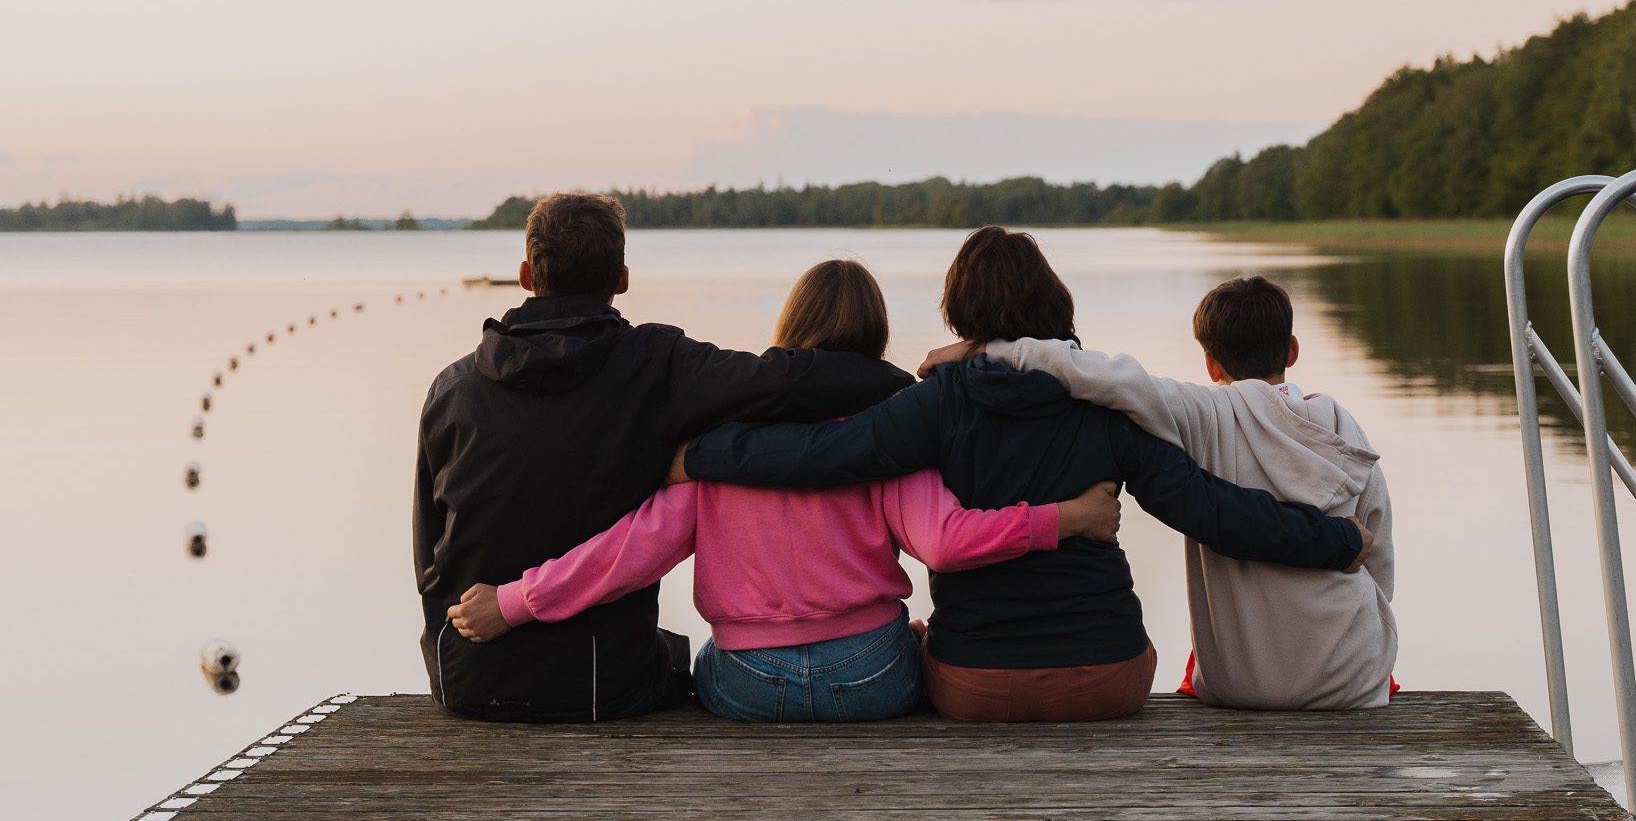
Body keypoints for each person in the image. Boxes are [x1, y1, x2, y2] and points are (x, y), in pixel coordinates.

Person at [680, 227, 1367, 723]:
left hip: (973, 688)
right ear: (1052, 302)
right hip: (1109, 680)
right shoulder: (1103, 408)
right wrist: (1333, 542)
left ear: (961, 313)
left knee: (914, 644)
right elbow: (1209, 509)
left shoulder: (934, 405)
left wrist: (702, 455)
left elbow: (820, 456)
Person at [443, 259, 1123, 723]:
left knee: (691, 659)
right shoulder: (893, 430)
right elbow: (945, 541)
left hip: (747, 682)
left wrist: (515, 601)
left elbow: (632, 552)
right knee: (912, 641)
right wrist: (1063, 517)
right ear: (877, 333)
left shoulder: (717, 442)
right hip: (870, 680)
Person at [414, 194, 908, 722]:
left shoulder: (451, 390)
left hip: (467, 676)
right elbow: (786, 381)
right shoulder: (659, 366)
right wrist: (914, 390)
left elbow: (428, 557)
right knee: (675, 655)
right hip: (603, 684)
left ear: (525, 275)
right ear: (622, 278)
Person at [941, 275, 1395, 710]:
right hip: (1350, 678)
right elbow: (1379, 563)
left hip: (1238, 683)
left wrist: (992, 350)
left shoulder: (1203, 415)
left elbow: (1104, 376)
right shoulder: (1342, 428)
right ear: (1292, 351)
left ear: (1211, 362)